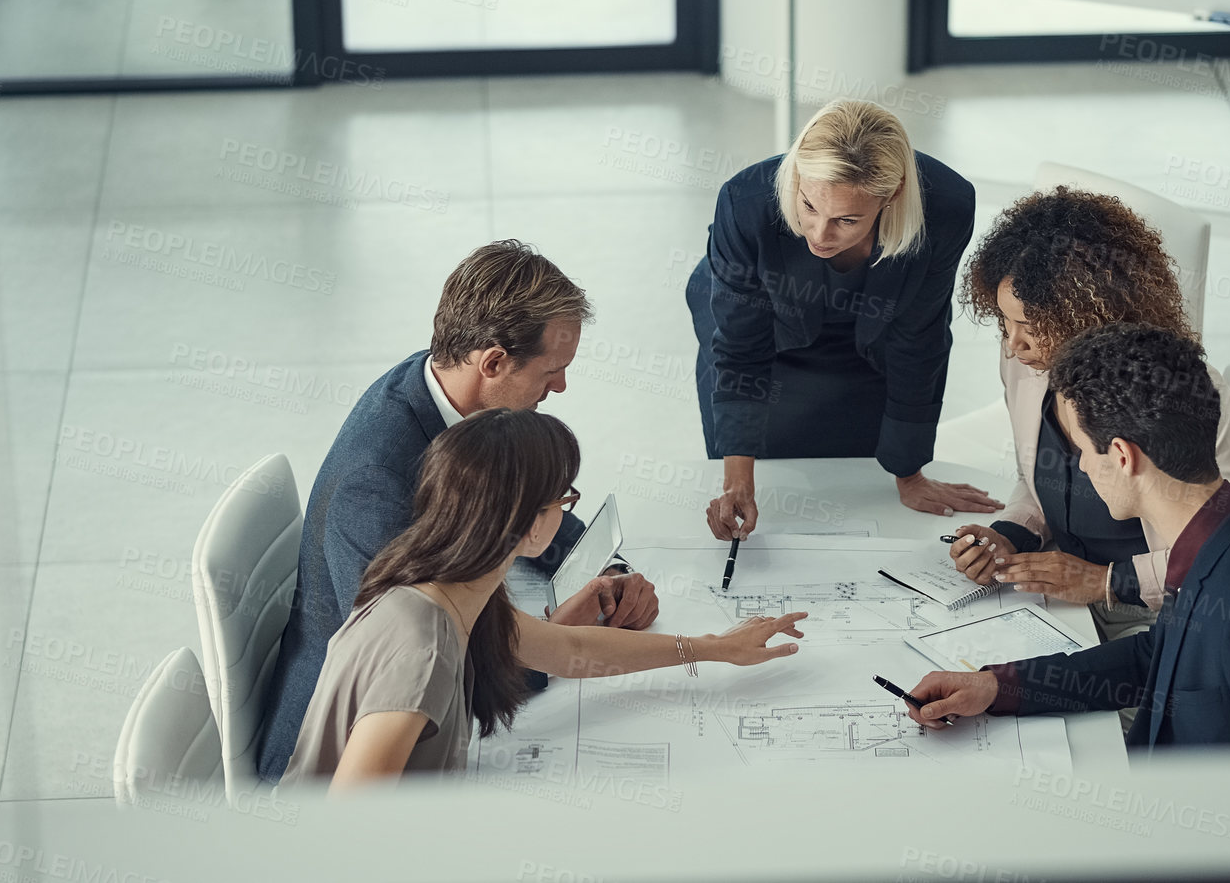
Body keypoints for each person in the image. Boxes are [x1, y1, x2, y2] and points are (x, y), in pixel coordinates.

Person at [258, 240, 661, 782]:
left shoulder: (441, 381)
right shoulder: (375, 487)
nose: (561, 385)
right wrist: (548, 641)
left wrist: (606, 570)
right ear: (493, 362)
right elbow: (421, 663)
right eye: (551, 371)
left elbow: (522, 487)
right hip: (344, 763)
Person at [281, 408, 806, 790]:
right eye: (564, 499)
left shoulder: (449, 586)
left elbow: (570, 649)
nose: (565, 511)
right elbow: (345, 828)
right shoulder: (421, 650)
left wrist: (715, 647)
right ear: (529, 525)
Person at [901, 324, 1230, 752]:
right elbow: (1155, 659)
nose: (1081, 466)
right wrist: (999, 687)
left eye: (1082, 450)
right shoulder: (1224, 535)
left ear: (1122, 456)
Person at [945, 187, 1230, 644]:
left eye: (1031, 328)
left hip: (1160, 615)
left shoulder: (1184, 392)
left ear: (1089, 317)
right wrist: (1011, 534)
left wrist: (1107, 581)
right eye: (1005, 321)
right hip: (1055, 599)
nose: (1012, 345)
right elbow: (1041, 477)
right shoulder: (1028, 366)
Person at [686, 98, 1001, 540]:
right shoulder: (745, 202)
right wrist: (737, 478)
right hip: (767, 334)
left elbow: (919, 338)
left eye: (847, 220)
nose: (818, 235)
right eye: (809, 206)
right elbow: (741, 346)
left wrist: (909, 473)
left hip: (875, 337)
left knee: (853, 478)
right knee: (778, 475)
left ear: (891, 197)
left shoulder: (945, 205)